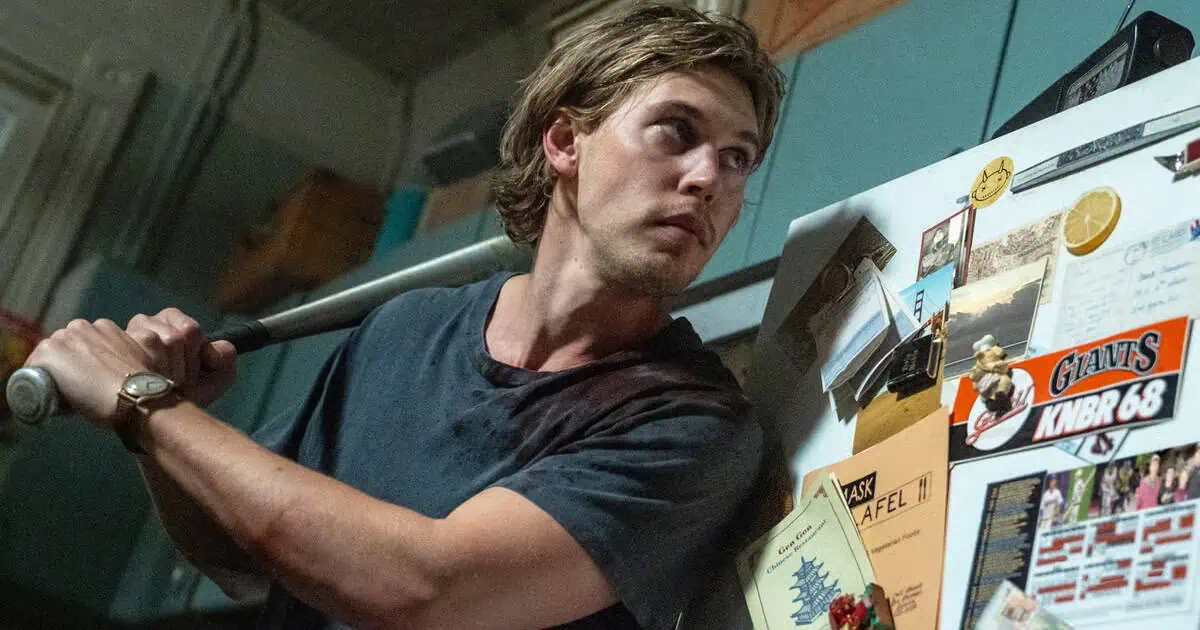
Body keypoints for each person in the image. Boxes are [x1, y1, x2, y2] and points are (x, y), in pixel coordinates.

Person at [21, 5, 785, 629]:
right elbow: (236, 558)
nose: (709, 180)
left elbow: (429, 592)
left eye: (738, 158)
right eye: (678, 131)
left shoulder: (694, 424)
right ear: (564, 142)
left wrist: (144, 406)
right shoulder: (406, 327)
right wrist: (163, 428)